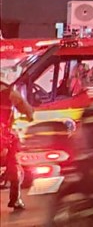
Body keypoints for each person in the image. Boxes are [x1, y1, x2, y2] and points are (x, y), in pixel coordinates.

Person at [1, 79, 35, 209]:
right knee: (13, 163)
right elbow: (26, 109)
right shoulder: (8, 91)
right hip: (4, 136)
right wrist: (29, 114)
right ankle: (15, 199)